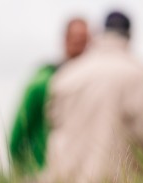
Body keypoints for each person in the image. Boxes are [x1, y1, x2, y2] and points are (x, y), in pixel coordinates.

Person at [43, 11, 143, 183]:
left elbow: (52, 125)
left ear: (101, 32)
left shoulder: (66, 76)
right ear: (129, 36)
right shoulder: (139, 75)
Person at [9, 18, 89, 174]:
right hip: (40, 173)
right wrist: (24, 173)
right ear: (65, 40)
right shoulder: (42, 84)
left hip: (79, 177)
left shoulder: (93, 87)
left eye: (86, 41)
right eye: (78, 40)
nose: (82, 48)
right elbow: (17, 137)